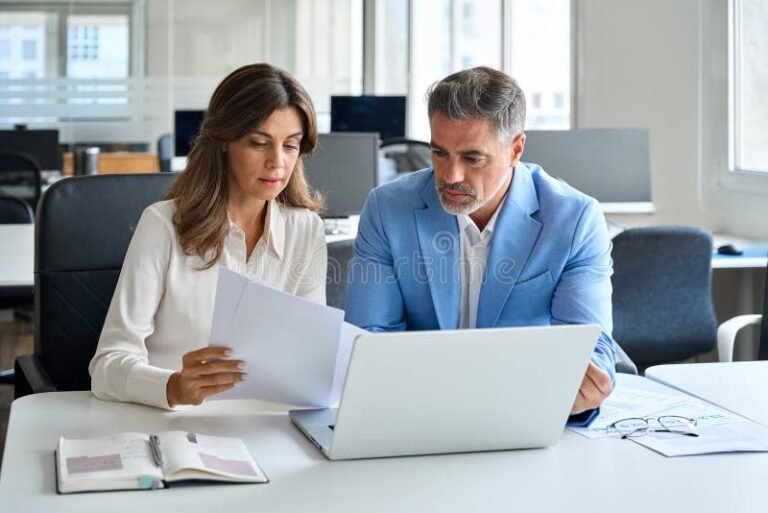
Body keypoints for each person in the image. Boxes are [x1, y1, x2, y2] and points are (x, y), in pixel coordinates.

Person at [344, 67, 615, 424]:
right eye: (439, 153)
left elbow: (591, 346)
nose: (451, 176)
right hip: (418, 417)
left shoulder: (574, 219)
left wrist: (586, 384)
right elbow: (369, 341)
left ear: (516, 149)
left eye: (472, 158)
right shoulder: (388, 209)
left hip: (523, 417)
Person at [90, 63, 327, 409]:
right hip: (174, 425)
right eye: (259, 144)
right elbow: (107, 366)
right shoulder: (163, 226)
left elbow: (311, 354)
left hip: (266, 425)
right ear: (223, 143)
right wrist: (172, 386)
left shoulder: (306, 230)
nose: (277, 162)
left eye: (290, 146)